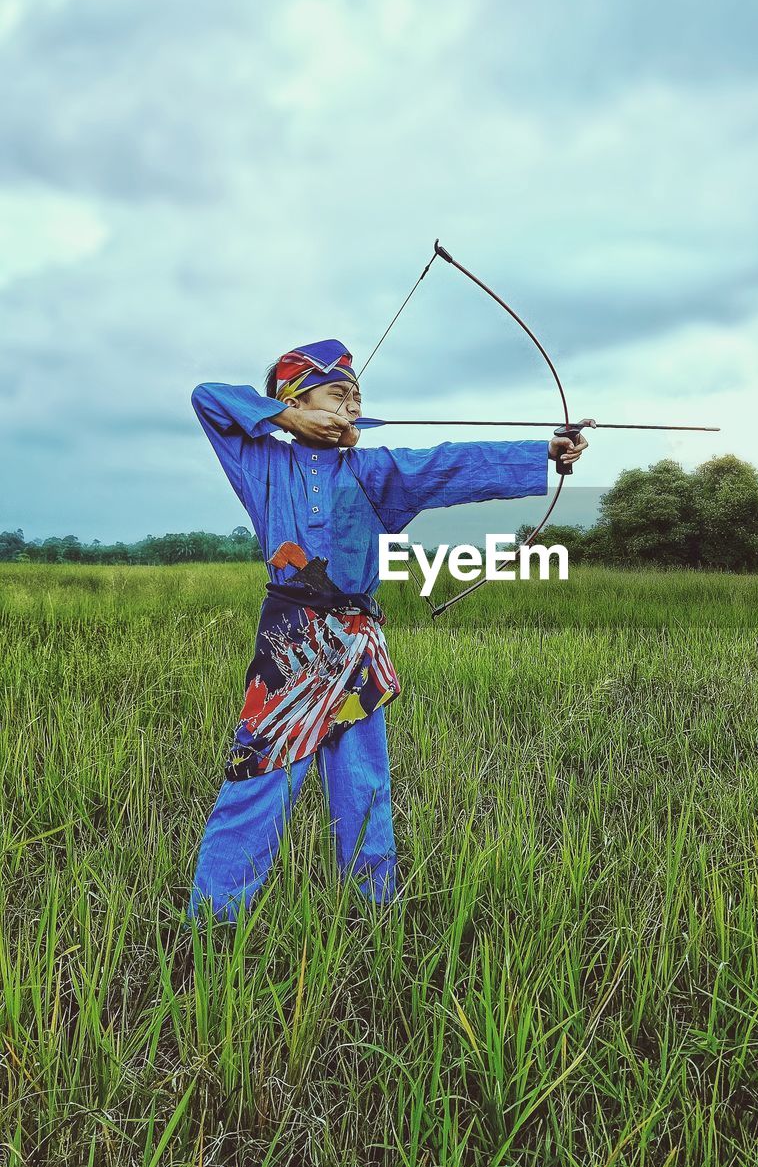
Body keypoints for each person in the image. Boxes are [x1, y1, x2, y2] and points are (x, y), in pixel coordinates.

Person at [184, 338, 587, 925]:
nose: (351, 407)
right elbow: (207, 398)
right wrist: (289, 417)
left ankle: (372, 911)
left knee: (363, 779)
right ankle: (215, 923)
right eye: (337, 395)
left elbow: (452, 464)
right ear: (296, 399)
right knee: (259, 774)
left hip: (354, 639)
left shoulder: (377, 471)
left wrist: (543, 452)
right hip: (289, 641)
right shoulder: (261, 462)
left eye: (357, 398)